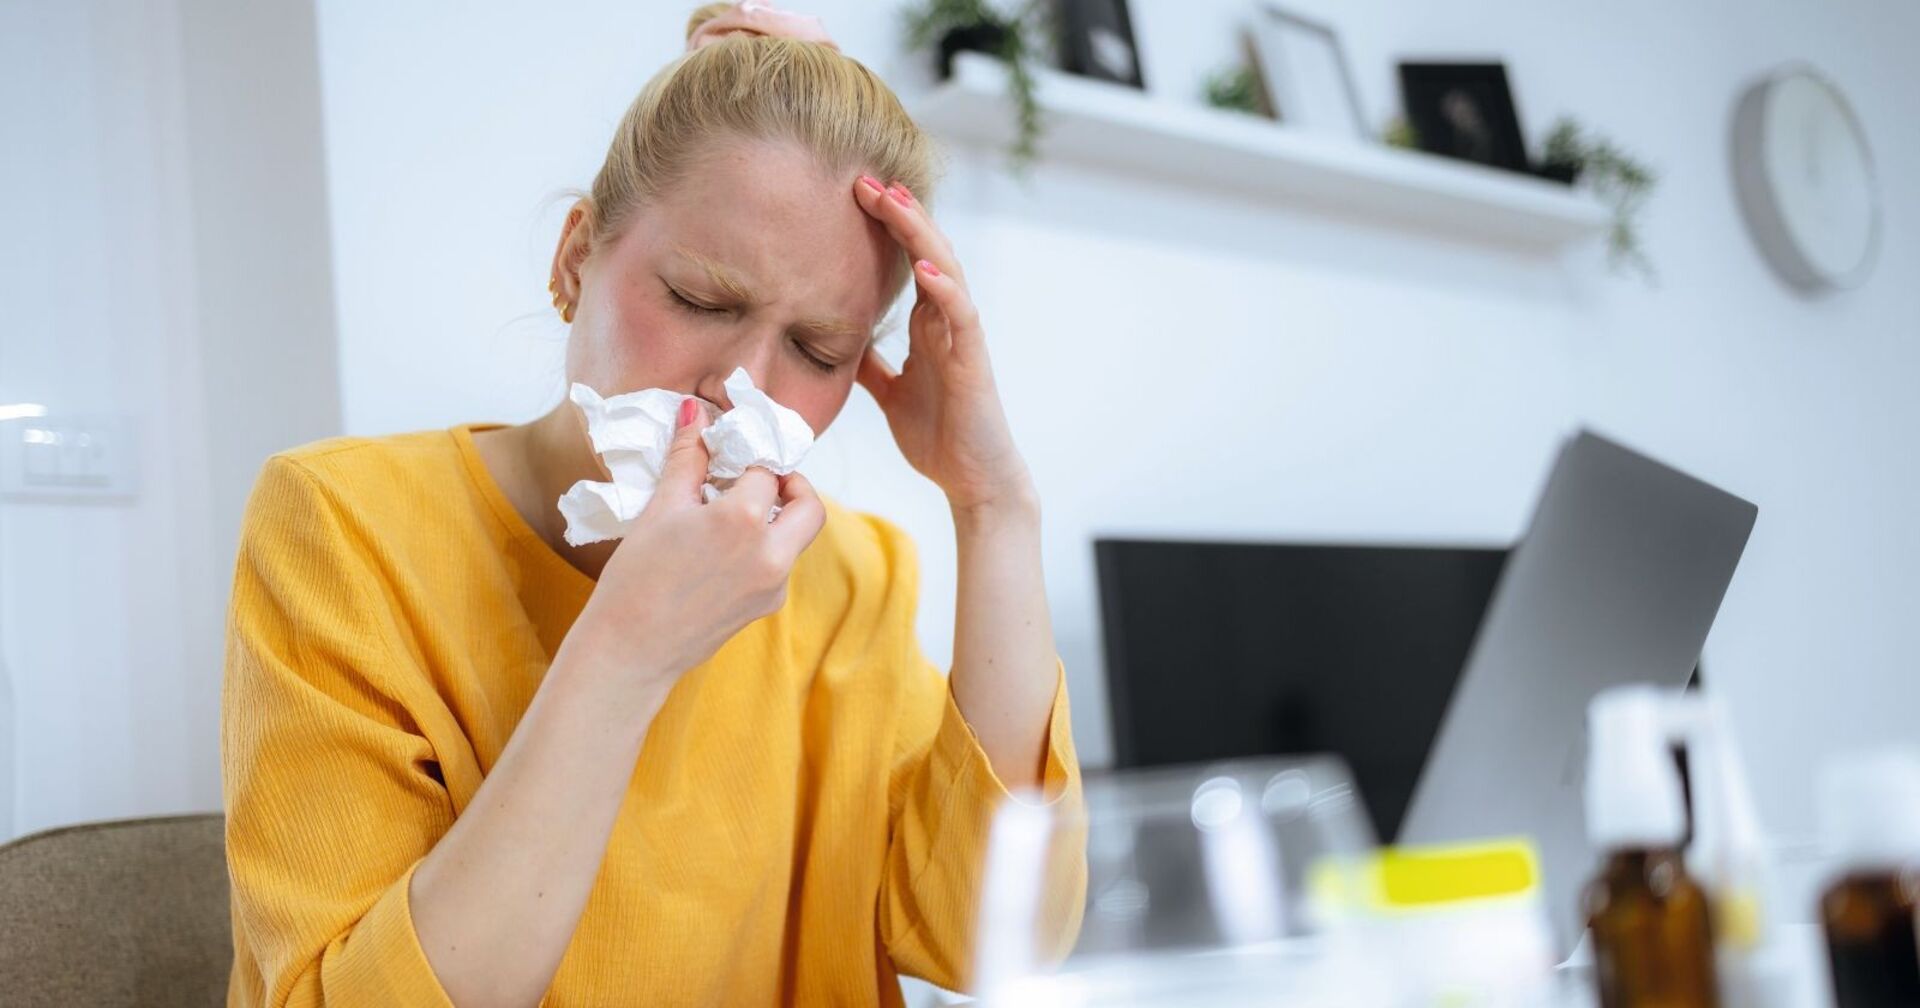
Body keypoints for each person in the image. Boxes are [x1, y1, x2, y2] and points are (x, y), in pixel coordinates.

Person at [219, 4, 1086, 1005]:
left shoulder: (854, 574)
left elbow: (998, 944)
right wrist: (627, 649)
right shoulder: (341, 527)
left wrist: (994, 503)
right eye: (702, 301)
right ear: (575, 258)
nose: (740, 384)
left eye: (816, 351)